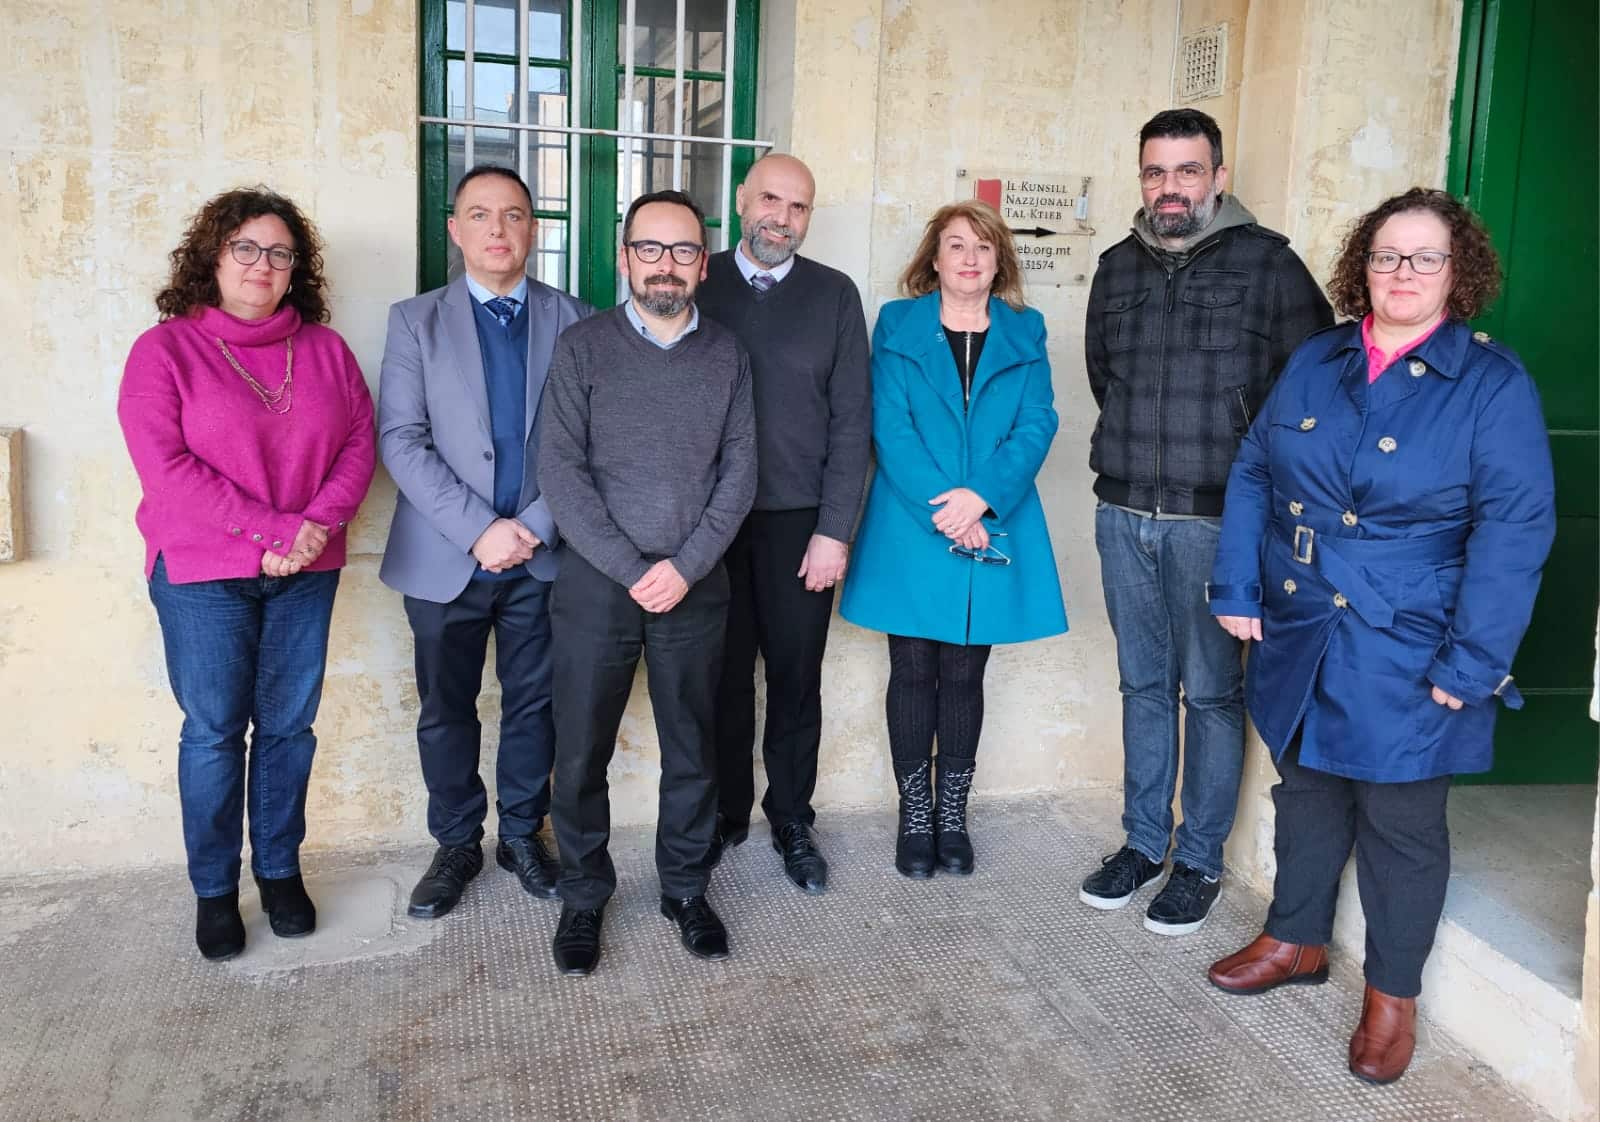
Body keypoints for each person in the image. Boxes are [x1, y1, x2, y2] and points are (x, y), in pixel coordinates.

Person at [1204, 187, 1555, 1085]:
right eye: (1387, 255)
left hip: (1413, 634)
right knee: (1307, 789)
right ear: (1363, 267)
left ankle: (1393, 995)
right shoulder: (1318, 358)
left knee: (1402, 821)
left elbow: (1515, 532)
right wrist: (1238, 583)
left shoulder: (1491, 382)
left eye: (1425, 257)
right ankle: (1296, 938)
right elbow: (1255, 469)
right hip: (1302, 618)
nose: (1403, 273)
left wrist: (1473, 662)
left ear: (1456, 272)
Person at [1078, 108, 1333, 934]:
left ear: (1218, 177)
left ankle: (1198, 861)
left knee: (1215, 694)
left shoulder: (1271, 265)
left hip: (1219, 524)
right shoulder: (1116, 267)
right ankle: (1142, 843)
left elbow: (1309, 394)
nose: (1171, 188)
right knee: (1143, 685)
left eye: (1188, 171)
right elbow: (1104, 376)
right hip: (1123, 514)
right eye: (1156, 172)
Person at [118, 187, 376, 960]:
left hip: (306, 569)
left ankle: (279, 869)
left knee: (290, 728)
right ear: (213, 257)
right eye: (246, 248)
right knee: (214, 733)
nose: (263, 265)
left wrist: (312, 528)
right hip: (202, 576)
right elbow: (166, 469)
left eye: (279, 253)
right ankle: (213, 889)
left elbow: (360, 445)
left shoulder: (326, 351)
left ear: (297, 269)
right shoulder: (163, 351)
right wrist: (276, 531)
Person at [538, 190, 757, 975]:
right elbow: (559, 472)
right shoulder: (582, 348)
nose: (667, 265)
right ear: (624, 257)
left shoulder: (727, 354)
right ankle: (583, 896)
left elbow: (740, 473)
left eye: (684, 250)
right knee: (580, 751)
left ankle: (686, 889)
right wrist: (634, 570)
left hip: (694, 584)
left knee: (693, 749)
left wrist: (684, 567)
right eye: (651, 249)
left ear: (704, 263)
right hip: (599, 584)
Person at [378, 166, 591, 920]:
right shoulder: (415, 321)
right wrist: (479, 530)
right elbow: (401, 439)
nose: (497, 230)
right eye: (479, 214)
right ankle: (457, 842)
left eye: (513, 215)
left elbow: (588, 442)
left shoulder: (576, 319)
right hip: (445, 557)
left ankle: (522, 835)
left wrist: (533, 526)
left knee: (536, 705)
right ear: (455, 229)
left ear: (533, 227)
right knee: (446, 708)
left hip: (543, 556)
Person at [840, 199, 1066, 879]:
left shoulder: (1026, 330)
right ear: (934, 259)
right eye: (957, 245)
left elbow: (1038, 422)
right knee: (913, 671)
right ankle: (916, 817)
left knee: (966, 674)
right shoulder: (898, 323)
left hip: (993, 518)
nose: (970, 258)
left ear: (1000, 262)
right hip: (914, 525)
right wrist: (947, 508)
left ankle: (952, 817)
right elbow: (889, 424)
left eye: (984, 247)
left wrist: (981, 498)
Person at [697, 153, 872, 894]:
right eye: (771, 200)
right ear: (742, 199)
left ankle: (792, 817)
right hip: (709, 523)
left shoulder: (834, 295)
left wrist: (835, 530)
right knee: (720, 676)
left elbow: (853, 422)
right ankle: (724, 812)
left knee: (797, 679)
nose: (782, 218)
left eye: (798, 207)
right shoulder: (696, 277)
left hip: (801, 525)